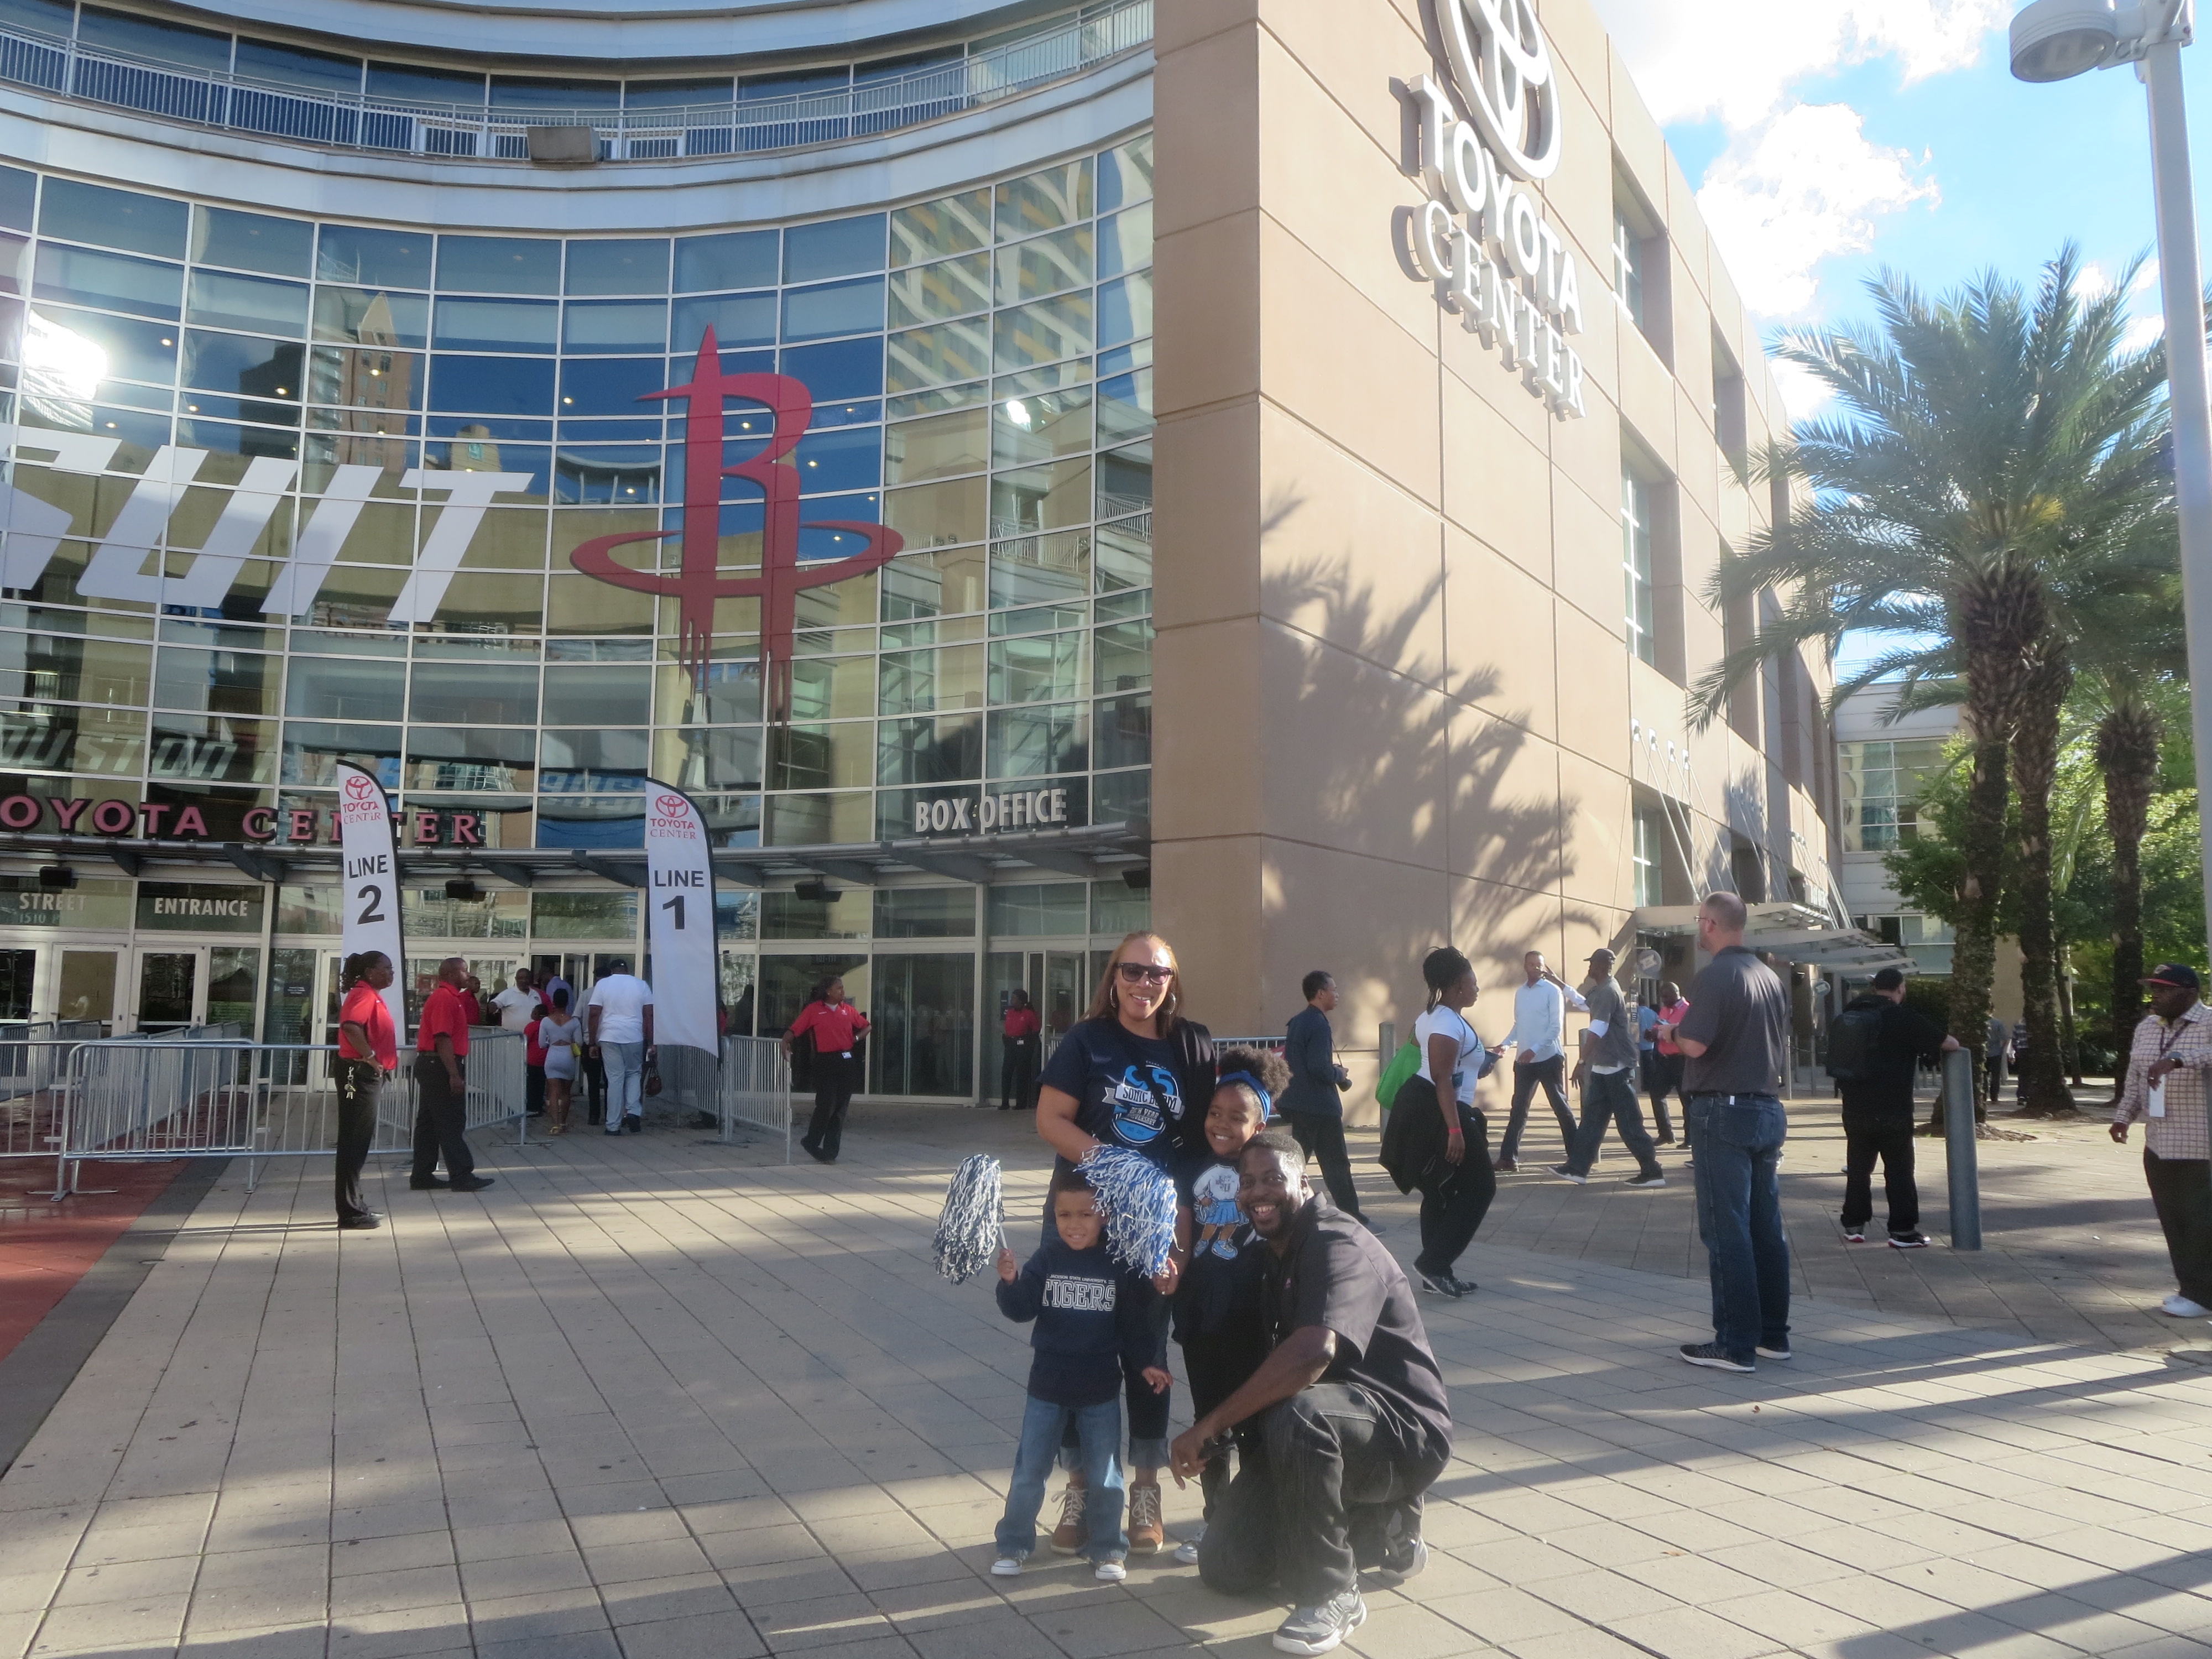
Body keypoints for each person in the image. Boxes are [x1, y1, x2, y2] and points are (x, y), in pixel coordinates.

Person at [1172, 1131, 1452, 1657]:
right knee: (1226, 1566)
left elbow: (1311, 1355)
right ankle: (1378, 1529)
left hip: (1403, 1434)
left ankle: (1331, 1591)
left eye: (1273, 1179)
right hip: (1325, 1426)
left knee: (1302, 1413)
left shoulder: (1335, 1242)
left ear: (1304, 1181)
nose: (1259, 1192)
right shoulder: (1274, 1253)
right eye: (1248, 1182)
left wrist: (1208, 1425)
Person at [1035, 930, 1217, 1557]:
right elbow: (1050, 1120)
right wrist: (1121, 1168)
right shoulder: (1086, 1041)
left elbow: (1194, 1152)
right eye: (1132, 971)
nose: (1144, 984)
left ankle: (1144, 1490)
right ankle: (1082, 1488)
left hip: (1155, 1225)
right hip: (1082, 1214)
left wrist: (1180, 1243)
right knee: (1076, 1349)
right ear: (1112, 977)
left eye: (1156, 974)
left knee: (1147, 1354)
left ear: (1172, 982)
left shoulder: (1189, 1045)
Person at [988, 1170, 1168, 1582]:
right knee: (1029, 1471)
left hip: (1100, 1389)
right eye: (1064, 1214)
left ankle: (1107, 1548)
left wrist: (1147, 1362)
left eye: (1085, 1214)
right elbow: (1021, 1309)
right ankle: (1014, 1544)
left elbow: (1132, 1325)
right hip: (1046, 1387)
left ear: (1104, 1215)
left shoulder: (1117, 1263)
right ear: (1054, 1216)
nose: (1074, 1223)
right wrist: (1011, 1281)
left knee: (1106, 1476)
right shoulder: (1048, 1258)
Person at [1654, 893, 1790, 1372]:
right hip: (1767, 1108)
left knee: (1726, 1229)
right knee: (1765, 1228)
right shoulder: (1769, 976)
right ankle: (1773, 1334)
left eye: (1700, 922)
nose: (1698, 928)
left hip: (1722, 1111)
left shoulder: (1716, 976)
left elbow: (1694, 1042)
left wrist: (1666, 1034)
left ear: (1711, 924)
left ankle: (1734, 1343)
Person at [1167, 1046, 1287, 1566]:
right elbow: (1182, 1237)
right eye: (1215, 1113)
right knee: (1208, 1416)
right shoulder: (1192, 1168)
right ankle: (1215, 1520)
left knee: (1257, 1421)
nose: (1221, 1124)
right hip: (1201, 1314)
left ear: (1260, 1124)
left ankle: (1262, 1517)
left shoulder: (1268, 1171)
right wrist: (1168, 1272)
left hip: (1253, 1316)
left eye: (1237, 1118)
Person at [1379, 947, 1500, 1299]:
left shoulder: (1431, 1017)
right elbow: (1441, 1076)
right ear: (1458, 984)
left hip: (1428, 1106)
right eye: (1473, 981)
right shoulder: (1446, 1021)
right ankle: (1433, 1264)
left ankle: (1436, 1273)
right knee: (1481, 1188)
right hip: (1439, 1110)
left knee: (1441, 1190)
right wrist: (1455, 1131)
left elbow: (1445, 1065)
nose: (1478, 988)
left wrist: (1482, 1062)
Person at [2110, 964, 2212, 1318]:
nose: (2156, 996)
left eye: (2164, 990)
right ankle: (2190, 1289)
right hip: (2159, 1141)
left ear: (2188, 993)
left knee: (2201, 1221)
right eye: (2154, 989)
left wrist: (2179, 1060)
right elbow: (2136, 1078)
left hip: (2201, 1144)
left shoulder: (2209, 1022)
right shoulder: (2147, 1028)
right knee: (2174, 1220)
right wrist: (2123, 1117)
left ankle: (2203, 1295)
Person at [1832, 967, 1957, 1247]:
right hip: (1893, 1107)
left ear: (1876, 987)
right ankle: (1902, 1231)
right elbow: (1948, 1043)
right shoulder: (1902, 1017)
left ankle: (1854, 1225)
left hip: (1854, 1105)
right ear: (1901, 989)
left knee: (1858, 1168)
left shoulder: (1852, 1013)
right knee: (1899, 1170)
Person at [1552, 949, 1666, 1189]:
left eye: (1592, 963)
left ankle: (1652, 1170)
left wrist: (1582, 1062)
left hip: (1616, 1066)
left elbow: (1598, 1030)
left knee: (1629, 1123)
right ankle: (1577, 1169)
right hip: (1605, 1067)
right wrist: (1557, 981)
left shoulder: (1608, 991)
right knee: (1592, 1122)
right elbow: (1583, 1004)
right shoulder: (1602, 990)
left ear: (1602, 966)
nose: (1589, 967)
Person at [1280, 972, 1371, 1227]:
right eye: (1334, 989)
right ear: (1321, 993)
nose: (1337, 994)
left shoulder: (1298, 1021)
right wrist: (1338, 1073)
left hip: (1296, 1103)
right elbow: (1318, 1068)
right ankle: (1354, 1218)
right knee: (1336, 1166)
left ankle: (1283, 1211)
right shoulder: (1319, 1024)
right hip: (1319, 1107)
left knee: (1295, 1162)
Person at [1496, 952, 1588, 1172]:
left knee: (1560, 1106)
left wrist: (1534, 1050)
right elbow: (1519, 1025)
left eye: (1540, 965)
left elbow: (1556, 1028)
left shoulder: (1552, 991)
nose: (1537, 968)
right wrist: (1507, 1044)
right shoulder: (1520, 993)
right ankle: (1508, 1159)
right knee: (1518, 1109)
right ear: (1525, 966)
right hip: (1525, 1062)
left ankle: (1577, 1158)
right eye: (1532, 964)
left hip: (1548, 1058)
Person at [411, 957, 493, 1194]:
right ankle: (461, 1175)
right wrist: (454, 1075)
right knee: (450, 1121)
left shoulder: (449, 998)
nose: (468, 976)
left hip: (432, 1063)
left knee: (429, 1123)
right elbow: (442, 1037)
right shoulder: (445, 998)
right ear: (452, 974)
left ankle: (422, 1174)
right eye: (465, 971)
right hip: (439, 1064)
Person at [334, 951, 397, 1230]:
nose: (392, 973)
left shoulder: (371, 994)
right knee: (353, 1141)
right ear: (371, 972)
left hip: (362, 1073)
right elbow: (350, 1027)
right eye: (387, 968)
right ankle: (349, 1212)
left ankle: (356, 1204)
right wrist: (371, 1058)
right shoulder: (364, 995)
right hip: (357, 1073)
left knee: (358, 1141)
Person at [787, 978, 868, 1162]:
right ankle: (811, 1141)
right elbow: (795, 1029)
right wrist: (785, 1041)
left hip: (846, 1060)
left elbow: (867, 1026)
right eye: (838, 988)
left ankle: (831, 1151)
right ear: (828, 991)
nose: (842, 991)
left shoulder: (848, 1010)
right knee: (826, 1105)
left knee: (840, 1108)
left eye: (842, 988)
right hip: (826, 1062)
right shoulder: (814, 1010)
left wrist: (855, 1038)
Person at [587, 958, 655, 1136]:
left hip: (609, 1036)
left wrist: (592, 1042)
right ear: (628, 970)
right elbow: (649, 1015)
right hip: (634, 1035)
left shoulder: (603, 984)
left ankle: (613, 1125)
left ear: (611, 970)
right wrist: (651, 1042)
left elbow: (594, 1013)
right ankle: (633, 1111)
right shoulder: (641, 985)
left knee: (615, 1079)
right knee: (634, 1073)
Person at [493, 968, 547, 1119]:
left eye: (527, 978)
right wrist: (492, 1008)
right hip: (513, 1043)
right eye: (521, 978)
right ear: (516, 979)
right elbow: (495, 1004)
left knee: (531, 1078)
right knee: (513, 1075)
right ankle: (511, 1106)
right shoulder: (508, 993)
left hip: (533, 1046)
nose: (524, 981)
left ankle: (532, 1106)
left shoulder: (536, 995)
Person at [535, 989, 585, 1136]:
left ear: (553, 1002)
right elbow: (579, 1042)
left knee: (553, 1093)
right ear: (568, 1002)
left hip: (553, 1055)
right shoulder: (574, 1022)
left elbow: (542, 1044)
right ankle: (563, 1122)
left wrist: (551, 1041)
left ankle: (555, 1124)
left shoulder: (546, 1021)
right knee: (566, 1093)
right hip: (568, 1055)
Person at [1650, 981, 1689, 1147]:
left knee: (1687, 1100)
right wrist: (1652, 1033)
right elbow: (1658, 1027)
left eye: (1666, 996)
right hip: (1664, 1059)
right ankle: (1666, 1134)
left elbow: (1688, 1033)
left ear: (1676, 993)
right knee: (1657, 1094)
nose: (1664, 1000)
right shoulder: (1665, 1010)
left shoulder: (1688, 1010)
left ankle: (1690, 1139)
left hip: (1682, 1060)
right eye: (1662, 997)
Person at [1000, 988, 1042, 1112]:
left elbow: (1036, 1030)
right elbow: (1007, 1027)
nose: (1012, 1000)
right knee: (1006, 1073)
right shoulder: (1010, 1013)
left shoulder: (1029, 1014)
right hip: (1010, 1044)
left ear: (1021, 1001)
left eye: (1014, 998)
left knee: (1022, 1074)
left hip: (1023, 1045)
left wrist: (1028, 1043)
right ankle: (1005, 1102)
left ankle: (1021, 1103)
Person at [1985, 1013, 2009, 1105]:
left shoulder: (1978, 1022)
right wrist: (2001, 1050)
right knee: (1995, 1076)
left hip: (1983, 1052)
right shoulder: (1998, 1023)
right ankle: (1994, 1097)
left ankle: (1982, 1095)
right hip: (1996, 1052)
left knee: (1983, 1075)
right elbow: (2005, 1038)